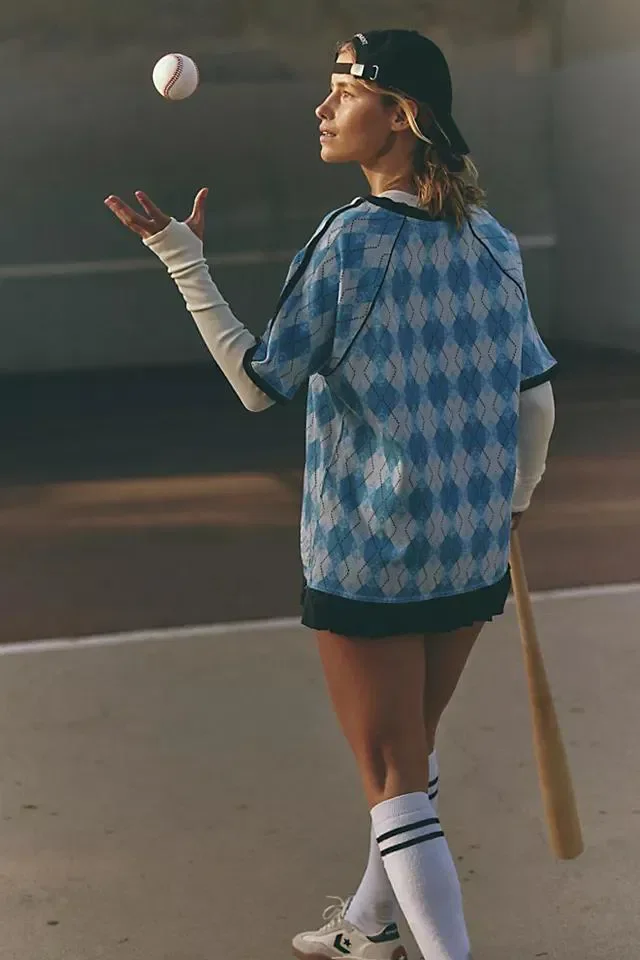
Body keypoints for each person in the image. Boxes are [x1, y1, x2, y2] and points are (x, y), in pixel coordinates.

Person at [105, 28, 556, 960]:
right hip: (470, 542)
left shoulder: (353, 238)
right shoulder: (494, 240)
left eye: (344, 91)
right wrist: (515, 500)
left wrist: (184, 261)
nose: (322, 108)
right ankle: (370, 924)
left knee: (391, 771)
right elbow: (537, 401)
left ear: (401, 115)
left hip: (371, 547)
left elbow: (259, 383)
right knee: (410, 750)